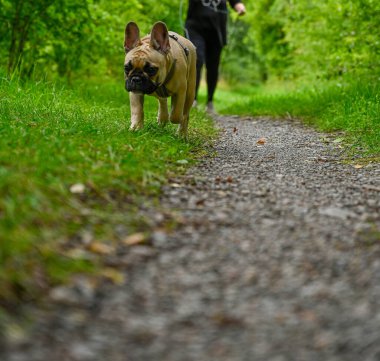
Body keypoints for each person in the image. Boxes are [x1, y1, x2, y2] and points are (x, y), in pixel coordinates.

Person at [185, 0, 246, 113]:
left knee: (213, 66)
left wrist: (239, 7)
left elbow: (235, 1)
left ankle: (210, 102)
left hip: (217, 31)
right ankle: (192, 100)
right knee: (196, 59)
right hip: (195, 28)